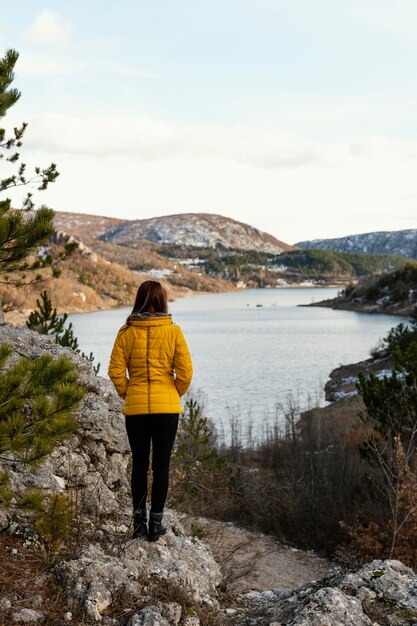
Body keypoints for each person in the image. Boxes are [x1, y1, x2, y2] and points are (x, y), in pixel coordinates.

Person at [108, 280, 193, 541]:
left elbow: (115, 371)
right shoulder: (174, 331)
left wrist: (128, 393)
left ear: (140, 300)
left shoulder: (126, 332)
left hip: (136, 410)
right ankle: (156, 525)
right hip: (167, 409)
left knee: (139, 466)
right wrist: (172, 393)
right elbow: (186, 373)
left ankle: (138, 524)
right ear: (163, 301)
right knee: (162, 466)